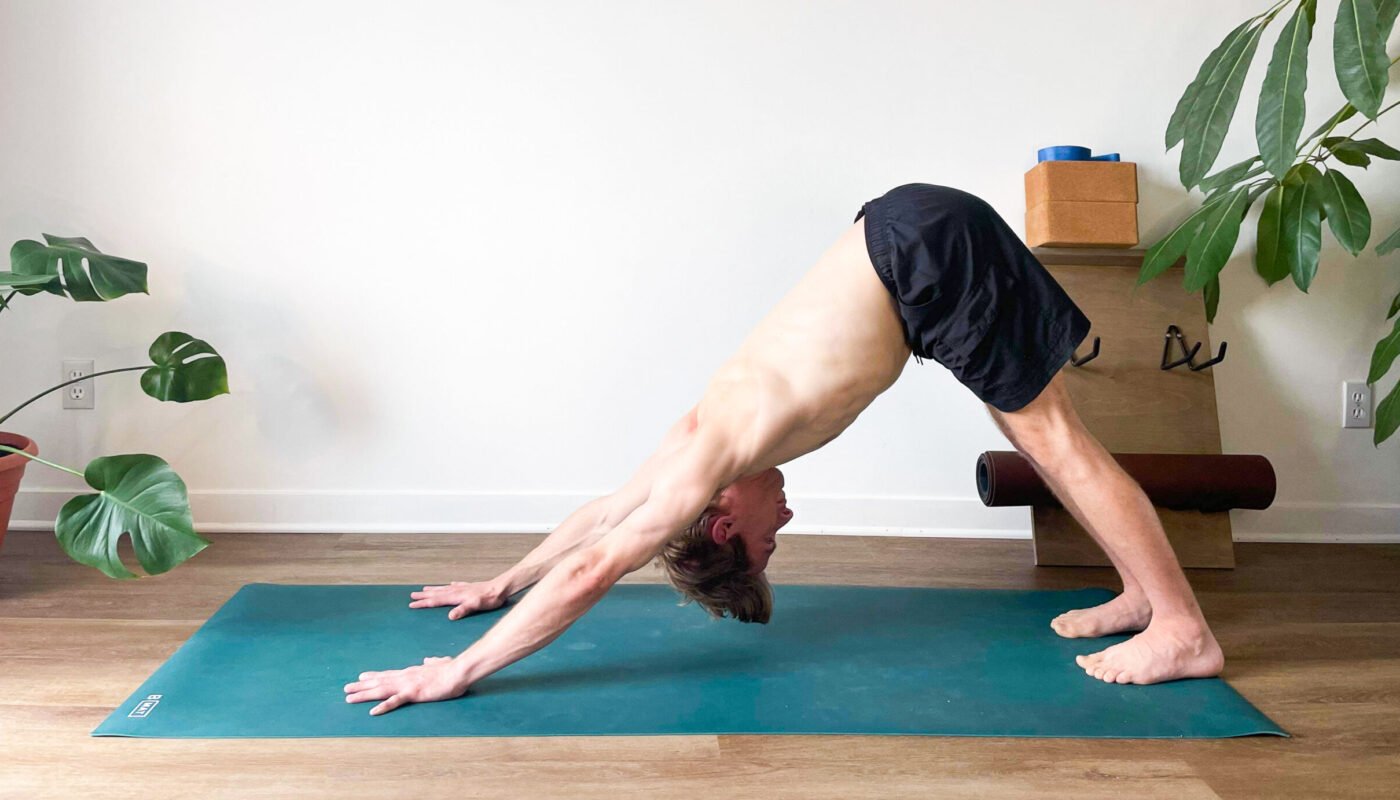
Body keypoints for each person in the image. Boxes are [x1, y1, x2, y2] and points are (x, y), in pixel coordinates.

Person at [344, 183, 1225, 716]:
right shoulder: (689, 448)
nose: (788, 514)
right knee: (1031, 429)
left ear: (723, 525)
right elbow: (598, 517)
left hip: (918, 252)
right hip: (907, 242)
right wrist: (501, 582)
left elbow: (593, 566)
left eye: (771, 538)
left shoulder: (706, 460)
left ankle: (1182, 630)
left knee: (1054, 441)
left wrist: (459, 670)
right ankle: (1144, 595)